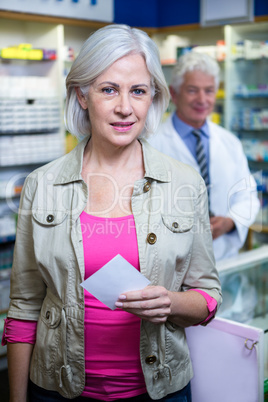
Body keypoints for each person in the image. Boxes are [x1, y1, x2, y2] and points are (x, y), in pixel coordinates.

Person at [2, 25, 222, 402]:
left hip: (159, 389)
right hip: (57, 389)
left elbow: (208, 295)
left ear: (152, 98)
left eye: (138, 91)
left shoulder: (185, 182)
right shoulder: (42, 185)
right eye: (109, 89)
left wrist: (171, 303)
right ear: (82, 95)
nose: (125, 107)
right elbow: (24, 307)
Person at [149, 51, 260, 261]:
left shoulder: (230, 143)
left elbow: (247, 195)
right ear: (174, 93)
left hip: (223, 257)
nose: (202, 99)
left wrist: (231, 221)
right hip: (170, 261)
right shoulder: (151, 144)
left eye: (209, 91)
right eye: (192, 90)